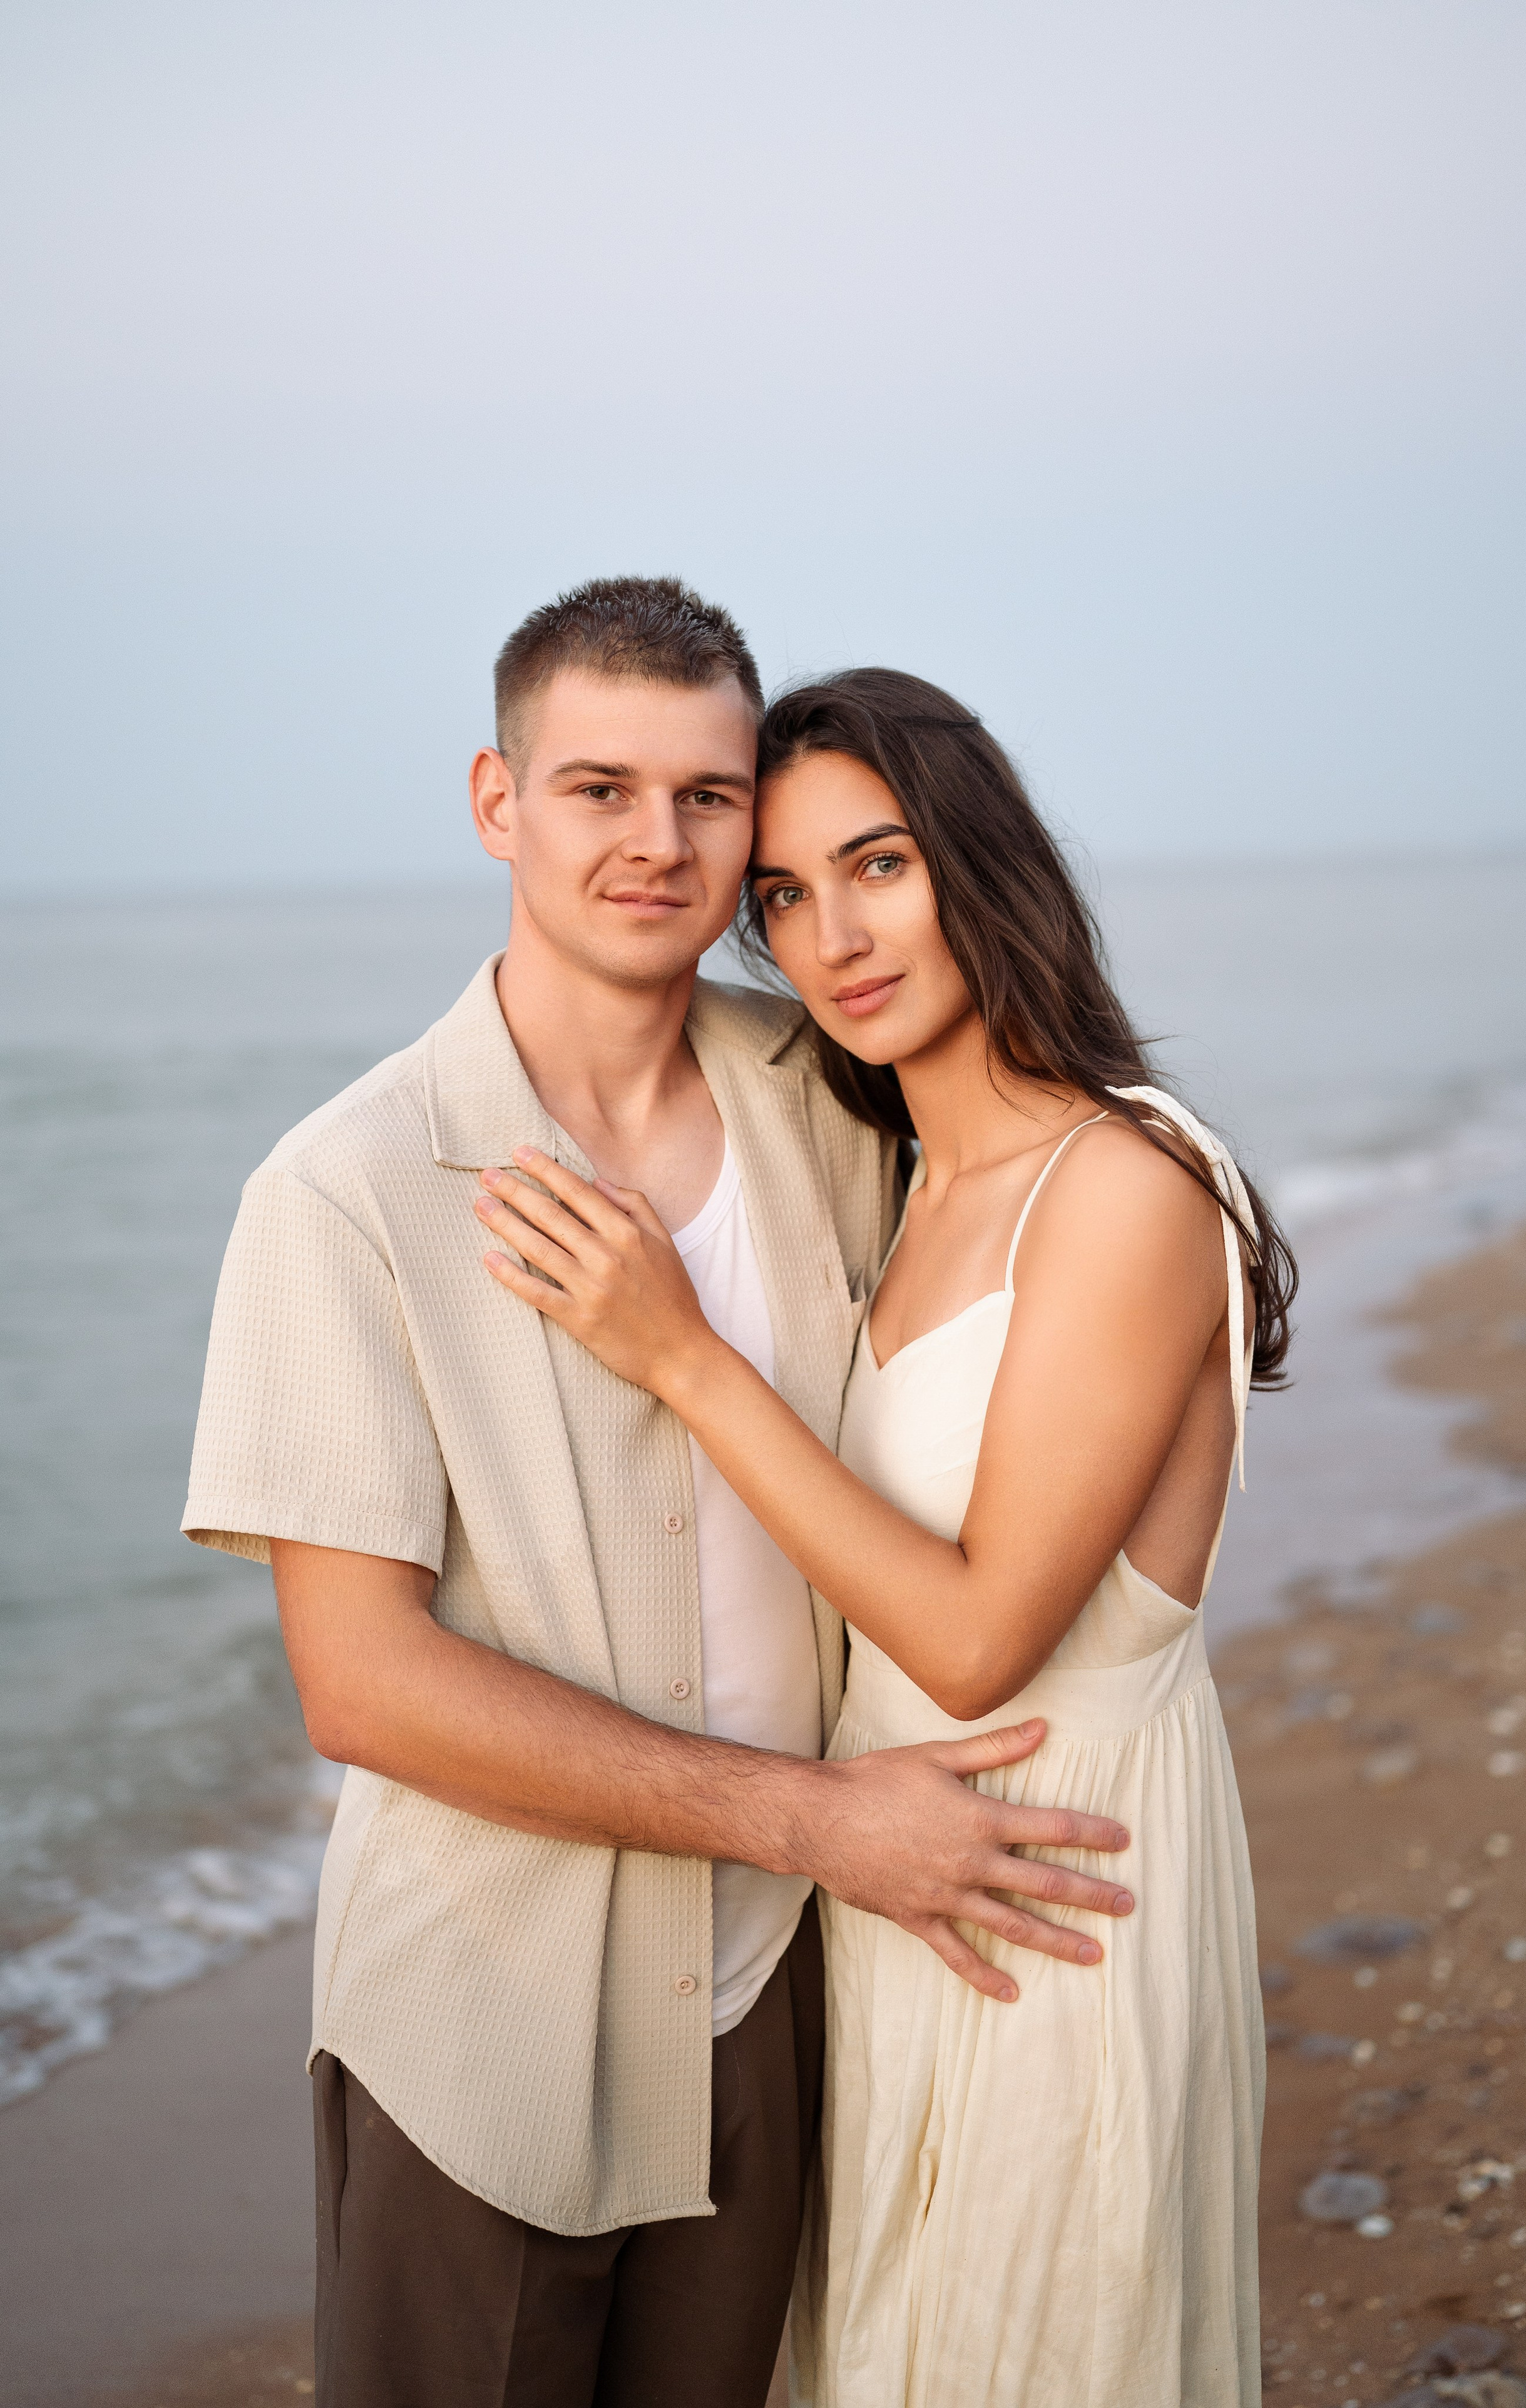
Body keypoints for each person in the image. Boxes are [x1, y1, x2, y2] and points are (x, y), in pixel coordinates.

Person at [182, 589, 1134, 2408]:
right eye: (599, 787)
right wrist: (815, 1823)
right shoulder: (346, 1190)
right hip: (491, 2018)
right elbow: (361, 1687)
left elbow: (1041, 1245)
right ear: (497, 802)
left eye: (709, 797)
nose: (659, 843)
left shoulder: (834, 1098)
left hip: (789, 1989)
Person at [474, 666, 1298, 2408]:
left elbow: (983, 1634)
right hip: (900, 1883)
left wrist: (680, 1357)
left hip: (1058, 1891)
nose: (832, 935)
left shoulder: (1128, 1184)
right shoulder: (914, 1183)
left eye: (881, 864)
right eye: (781, 895)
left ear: (976, 863)